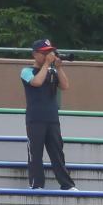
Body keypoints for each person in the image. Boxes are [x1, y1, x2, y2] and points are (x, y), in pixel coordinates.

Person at [19, 38, 76, 191]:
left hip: (52, 118)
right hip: (35, 118)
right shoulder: (26, 71)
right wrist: (46, 65)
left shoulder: (52, 71)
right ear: (35, 54)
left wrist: (59, 68)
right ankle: (36, 184)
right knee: (35, 153)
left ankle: (67, 184)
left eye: (49, 52)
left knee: (57, 152)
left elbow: (65, 86)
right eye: (44, 53)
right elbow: (36, 82)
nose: (48, 56)